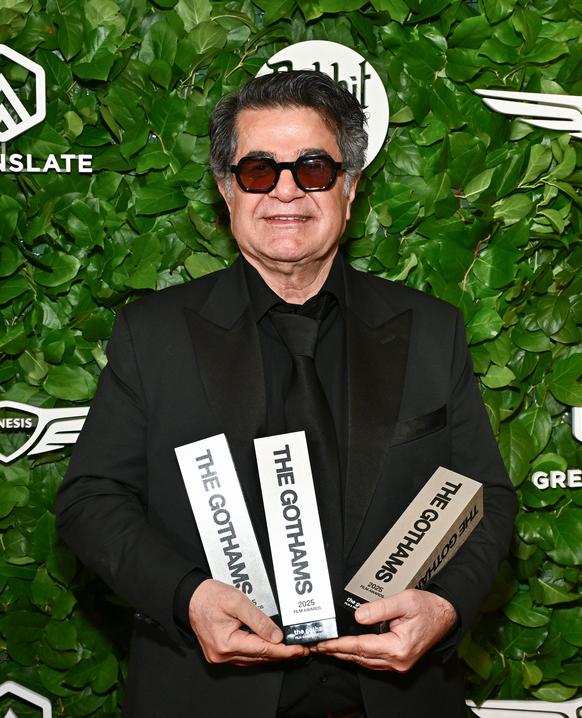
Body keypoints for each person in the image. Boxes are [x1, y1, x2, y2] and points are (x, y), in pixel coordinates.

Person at [56, 70, 518, 718]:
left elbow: (487, 499)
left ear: (350, 188)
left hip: (395, 700)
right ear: (225, 190)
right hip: (208, 699)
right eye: (256, 171)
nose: (284, 191)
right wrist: (188, 598)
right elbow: (90, 499)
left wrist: (444, 607)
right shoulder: (151, 336)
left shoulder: (430, 331)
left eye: (312, 169)